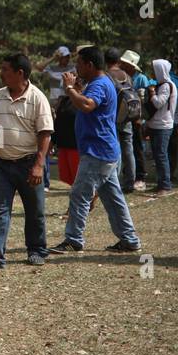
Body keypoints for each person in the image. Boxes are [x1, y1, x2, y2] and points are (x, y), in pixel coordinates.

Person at [50, 46, 142, 254]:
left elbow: (88, 105)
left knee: (79, 194)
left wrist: (70, 89)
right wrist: (78, 89)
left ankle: (73, 239)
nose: (76, 67)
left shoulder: (100, 83)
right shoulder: (99, 82)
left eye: (79, 63)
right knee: (113, 198)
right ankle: (129, 239)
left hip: (97, 151)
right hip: (103, 150)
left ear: (90, 65)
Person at [0, 54, 53, 269]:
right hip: (1, 163)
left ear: (20, 73)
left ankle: (37, 250)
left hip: (29, 163)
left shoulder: (38, 98)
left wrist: (39, 165)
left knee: (35, 209)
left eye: (5, 70)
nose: (1, 73)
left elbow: (45, 133)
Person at [104, 49, 139, 193]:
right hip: (128, 117)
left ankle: (116, 182)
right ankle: (130, 182)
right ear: (118, 61)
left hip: (113, 117)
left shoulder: (106, 76)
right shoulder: (127, 75)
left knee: (116, 149)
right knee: (128, 150)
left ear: (105, 61)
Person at [144, 58, 178, 195]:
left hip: (163, 126)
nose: (152, 72)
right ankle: (161, 184)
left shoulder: (166, 86)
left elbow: (158, 103)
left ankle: (165, 186)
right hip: (156, 125)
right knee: (158, 156)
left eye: (153, 69)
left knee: (161, 155)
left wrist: (152, 92)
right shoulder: (162, 85)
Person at [120, 50, 149, 190]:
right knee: (126, 149)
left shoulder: (140, 79)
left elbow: (142, 100)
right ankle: (128, 175)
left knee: (137, 148)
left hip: (136, 118)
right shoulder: (123, 77)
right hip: (125, 117)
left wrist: (139, 118)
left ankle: (141, 176)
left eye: (125, 64)